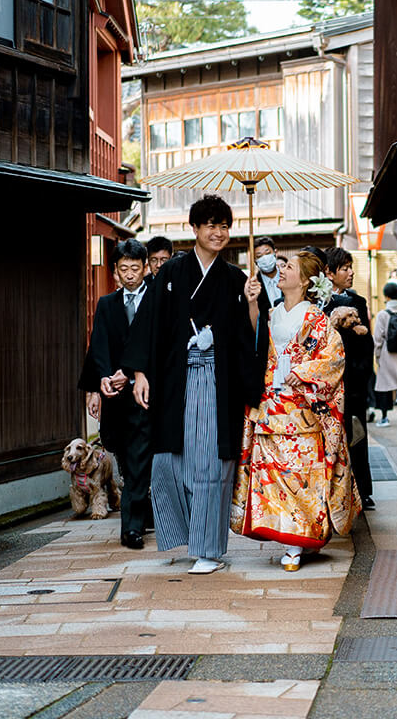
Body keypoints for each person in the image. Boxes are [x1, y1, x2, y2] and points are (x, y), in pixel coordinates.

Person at [125, 195, 268, 575]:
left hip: (216, 385)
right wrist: (140, 373)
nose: (218, 232)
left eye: (224, 225)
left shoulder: (238, 280)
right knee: (168, 463)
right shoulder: (170, 274)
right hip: (175, 382)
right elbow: (148, 326)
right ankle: (184, 535)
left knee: (210, 465)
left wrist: (253, 305)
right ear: (194, 229)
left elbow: (251, 338)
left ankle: (208, 549)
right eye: (210, 225)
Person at [232, 252, 360, 572]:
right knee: (272, 475)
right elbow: (254, 341)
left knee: (299, 476)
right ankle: (287, 533)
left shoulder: (316, 318)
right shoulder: (273, 312)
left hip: (302, 408)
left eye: (288, 267)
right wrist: (250, 303)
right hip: (271, 404)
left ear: (304, 280)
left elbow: (334, 358)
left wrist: (304, 372)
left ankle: (297, 540)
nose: (282, 270)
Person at [78, 239, 154, 549]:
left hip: (146, 393)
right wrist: (100, 382)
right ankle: (139, 512)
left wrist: (131, 371)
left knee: (138, 460)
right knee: (124, 456)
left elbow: (159, 344)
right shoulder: (107, 304)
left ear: (145, 268)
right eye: (124, 269)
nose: (130, 274)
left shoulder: (156, 301)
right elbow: (98, 346)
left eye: (136, 268)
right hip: (115, 397)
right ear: (115, 271)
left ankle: (131, 527)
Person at [324, 247, 375, 509]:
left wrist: (361, 373)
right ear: (329, 273)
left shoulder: (359, 302)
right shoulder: (319, 303)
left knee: (357, 434)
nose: (351, 272)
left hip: (353, 381)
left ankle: (362, 490)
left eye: (350, 267)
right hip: (329, 383)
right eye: (344, 268)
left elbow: (368, 344)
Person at [372, 281, 397, 426]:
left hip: (388, 354)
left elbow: (378, 338)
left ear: (386, 297)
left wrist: (377, 356)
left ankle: (384, 417)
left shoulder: (383, 315)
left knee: (385, 386)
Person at [252, 236, 284, 308]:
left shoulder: (288, 277)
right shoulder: (253, 285)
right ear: (255, 260)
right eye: (259, 256)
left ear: (275, 253)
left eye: (267, 253)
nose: (265, 258)